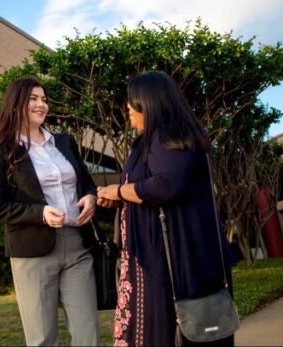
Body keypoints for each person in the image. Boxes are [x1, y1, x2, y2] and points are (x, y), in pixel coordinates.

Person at [97, 71, 235, 346]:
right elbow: (150, 186)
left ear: (149, 103)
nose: (127, 109)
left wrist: (120, 191)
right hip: (153, 257)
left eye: (132, 102)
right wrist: (121, 196)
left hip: (173, 262)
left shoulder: (170, 134)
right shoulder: (151, 140)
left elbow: (167, 184)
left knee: (173, 332)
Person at [0, 76, 101, 346]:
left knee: (87, 332)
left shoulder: (64, 142)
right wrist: (41, 212)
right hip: (32, 252)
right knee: (42, 338)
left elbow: (86, 182)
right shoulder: (4, 150)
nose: (41, 104)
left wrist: (91, 198)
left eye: (44, 99)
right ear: (16, 105)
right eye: (33, 99)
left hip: (77, 244)